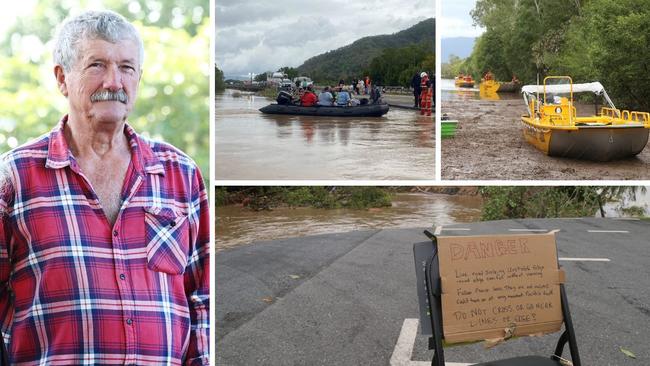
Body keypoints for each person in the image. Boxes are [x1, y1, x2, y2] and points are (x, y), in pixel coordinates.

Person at [0, 10, 209, 365]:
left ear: (138, 78)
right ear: (62, 78)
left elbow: (203, 298)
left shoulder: (180, 174)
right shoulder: (15, 177)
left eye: (127, 68)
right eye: (97, 65)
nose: (114, 81)